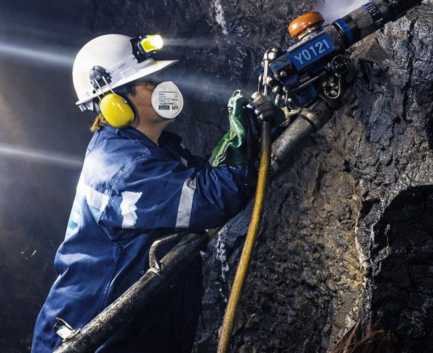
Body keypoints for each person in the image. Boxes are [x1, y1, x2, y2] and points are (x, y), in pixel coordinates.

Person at [31, 34, 280, 352]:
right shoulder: (120, 166)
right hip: (93, 341)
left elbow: (209, 175)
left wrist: (258, 129)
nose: (164, 87)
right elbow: (209, 197)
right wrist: (247, 139)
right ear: (115, 102)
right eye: (149, 81)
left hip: (139, 332)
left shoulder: (157, 152)